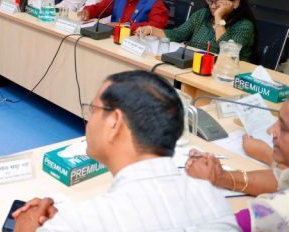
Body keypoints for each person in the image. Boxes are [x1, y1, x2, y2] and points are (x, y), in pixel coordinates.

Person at [12, 71, 238, 231]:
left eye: (93, 109)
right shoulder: (212, 198)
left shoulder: (82, 223)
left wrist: (25, 227)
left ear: (114, 123)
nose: (89, 120)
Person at [187, 99, 289, 231]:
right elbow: (283, 179)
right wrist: (221, 177)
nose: (270, 130)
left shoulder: (280, 211)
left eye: (284, 128)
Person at [137, 0, 256, 61]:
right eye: (210, 0)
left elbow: (228, 53)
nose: (212, 6)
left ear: (235, 3)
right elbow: (177, 34)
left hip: (224, 74)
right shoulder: (202, 14)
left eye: (218, 2)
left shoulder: (244, 26)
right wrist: (150, 30)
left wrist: (218, 17)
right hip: (193, 64)